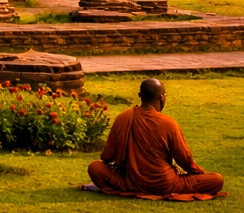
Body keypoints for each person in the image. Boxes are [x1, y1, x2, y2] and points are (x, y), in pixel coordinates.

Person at [86, 78, 224, 198]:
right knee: (216, 180)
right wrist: (199, 174)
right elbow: (185, 161)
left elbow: (106, 157)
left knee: (94, 167)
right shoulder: (169, 123)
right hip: (166, 185)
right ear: (162, 97)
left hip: (130, 182)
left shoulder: (123, 118)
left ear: (140, 95)